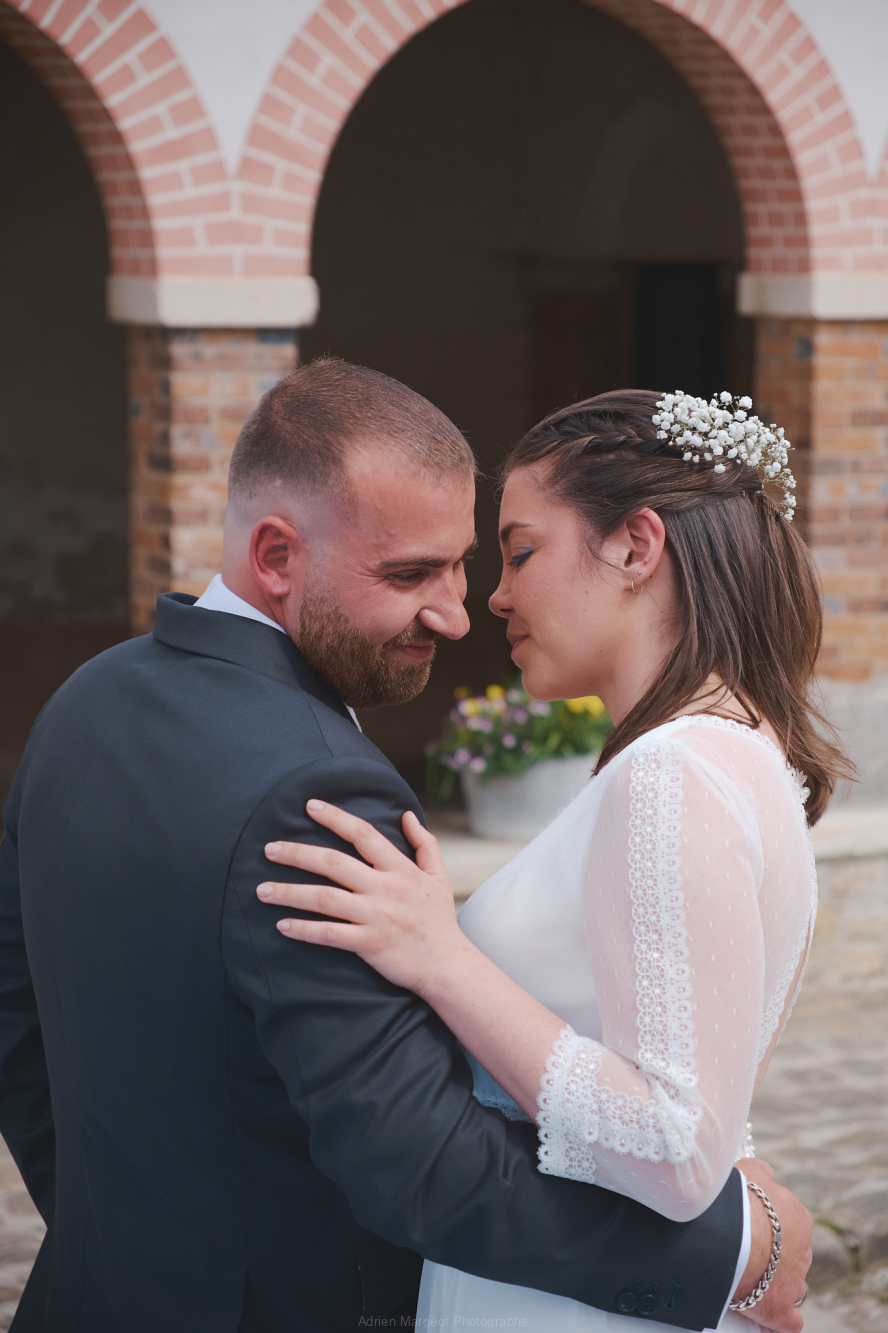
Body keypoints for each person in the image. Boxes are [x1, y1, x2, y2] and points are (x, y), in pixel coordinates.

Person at [0, 364, 811, 1332]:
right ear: (276, 555)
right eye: (410, 574)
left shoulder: (80, 704)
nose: (461, 612)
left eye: (469, 563)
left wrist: (119, 1234)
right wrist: (734, 1250)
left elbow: (18, 1026)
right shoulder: (318, 787)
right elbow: (417, 1158)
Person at [255, 386, 843, 1332]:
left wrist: (440, 955)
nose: (493, 597)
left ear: (636, 546)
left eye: (521, 552)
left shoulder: (674, 773)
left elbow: (676, 1146)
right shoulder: (738, 751)